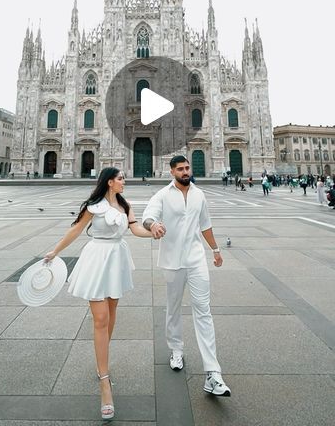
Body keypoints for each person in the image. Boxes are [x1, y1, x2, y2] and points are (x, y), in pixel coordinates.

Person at [44, 167, 163, 420]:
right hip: (96, 259)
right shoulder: (93, 205)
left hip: (116, 260)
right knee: (100, 320)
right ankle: (104, 383)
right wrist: (55, 251)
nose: (124, 182)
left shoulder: (125, 204)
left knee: (111, 314)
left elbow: (135, 229)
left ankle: (102, 360)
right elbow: (75, 229)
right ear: (109, 182)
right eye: (121, 179)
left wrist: (153, 232)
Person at [142, 155, 231, 397]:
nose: (185, 171)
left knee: (203, 310)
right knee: (173, 308)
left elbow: (205, 225)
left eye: (187, 167)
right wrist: (153, 226)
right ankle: (176, 349)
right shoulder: (162, 195)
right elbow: (148, 215)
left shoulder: (199, 194)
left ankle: (213, 373)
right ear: (172, 172)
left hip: (195, 259)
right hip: (171, 260)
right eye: (180, 169)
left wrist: (215, 249)